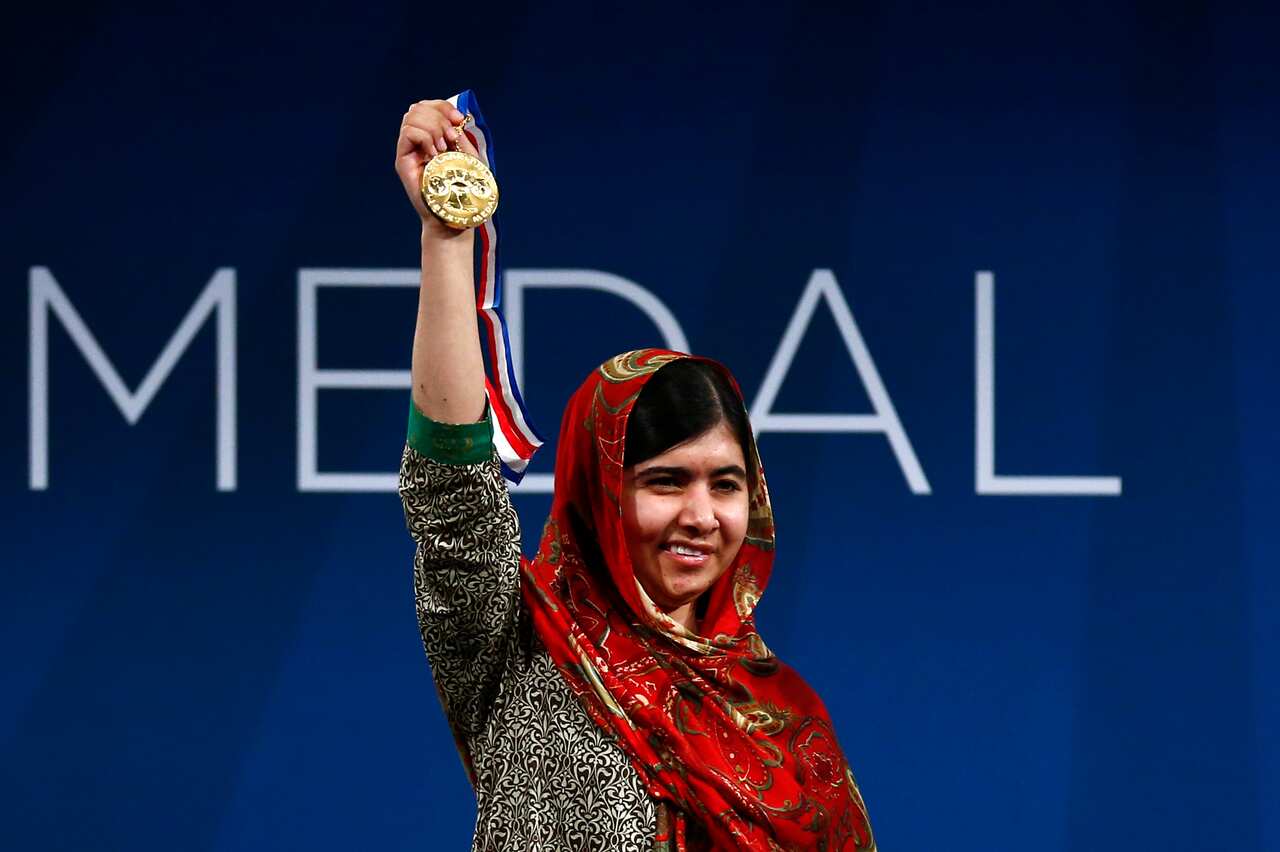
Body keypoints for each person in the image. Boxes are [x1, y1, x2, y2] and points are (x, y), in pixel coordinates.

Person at [395, 99, 876, 852]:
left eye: (725, 484)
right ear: (600, 494)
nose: (701, 514)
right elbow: (453, 491)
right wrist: (448, 238)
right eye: (663, 480)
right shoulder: (519, 643)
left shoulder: (786, 721)